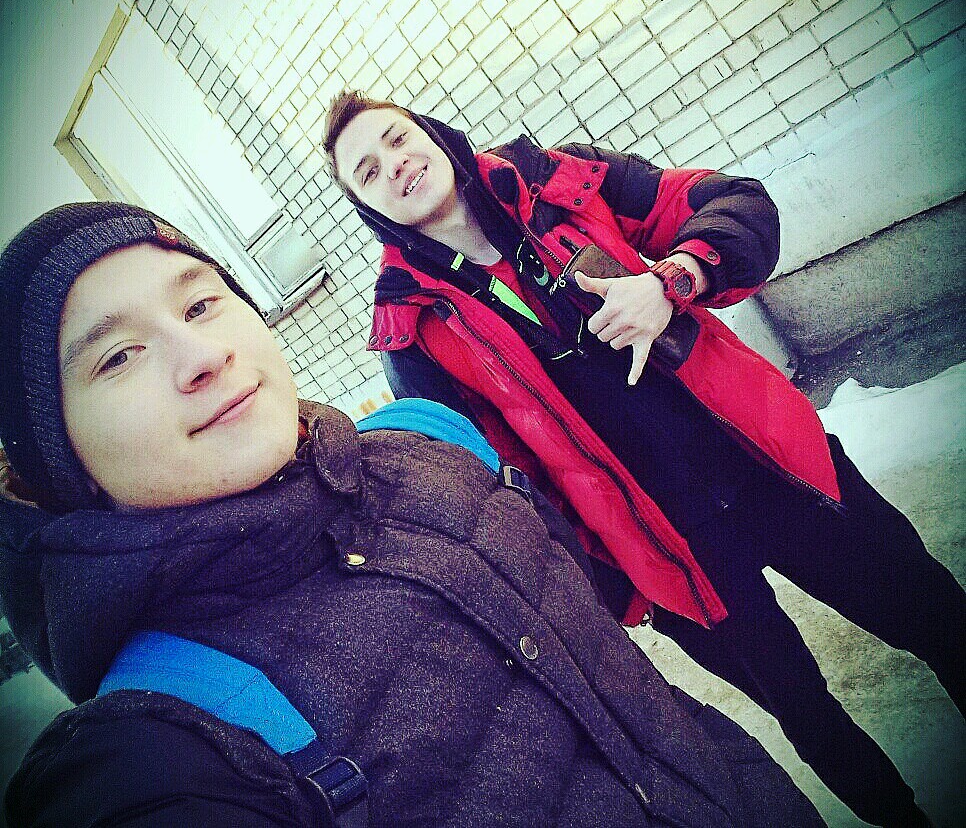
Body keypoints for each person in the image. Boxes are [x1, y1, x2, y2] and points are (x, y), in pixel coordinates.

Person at [0, 201, 826, 826]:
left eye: (199, 306)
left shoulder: (429, 442)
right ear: (49, 465)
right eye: (118, 357)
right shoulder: (159, 749)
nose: (201, 357)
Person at [323, 90, 966, 828]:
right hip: (667, 554)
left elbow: (733, 203)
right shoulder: (411, 329)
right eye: (367, 173)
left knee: (932, 612)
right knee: (807, 713)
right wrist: (610, 587)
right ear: (367, 208)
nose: (395, 166)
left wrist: (672, 281)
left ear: (431, 133)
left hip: (767, 464)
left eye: (397, 139)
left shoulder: (560, 181)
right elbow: (492, 491)